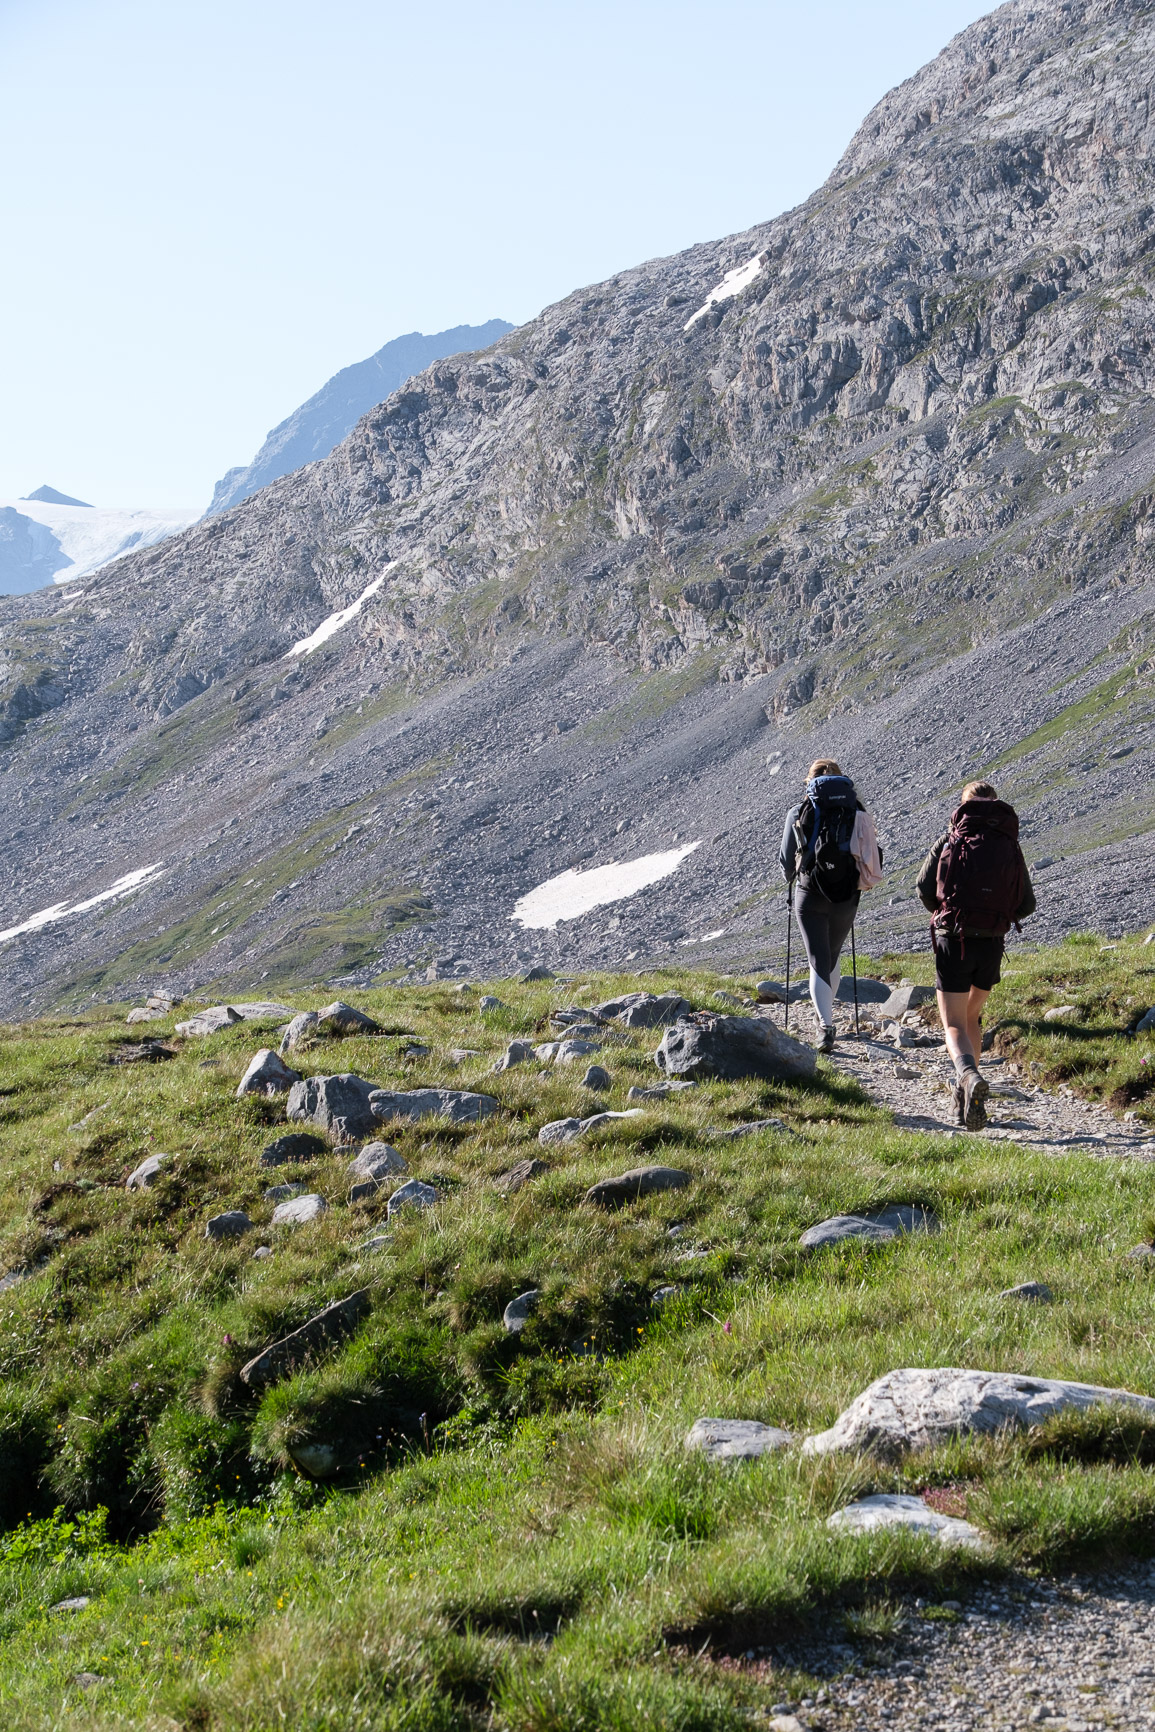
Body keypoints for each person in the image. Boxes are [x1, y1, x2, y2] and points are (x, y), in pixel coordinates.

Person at [916, 779, 1035, 1130]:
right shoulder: (1009, 843)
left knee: (952, 1022)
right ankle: (965, 1094)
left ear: (964, 805)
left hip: (954, 938)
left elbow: (923, 889)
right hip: (992, 943)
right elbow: (1027, 904)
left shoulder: (951, 838)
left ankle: (967, 1076)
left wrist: (943, 914)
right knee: (972, 1017)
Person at [780, 758, 882, 1051]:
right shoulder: (857, 809)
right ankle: (824, 1015)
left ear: (809, 782)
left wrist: (794, 876)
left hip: (810, 892)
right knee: (832, 957)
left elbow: (787, 861)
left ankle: (825, 1026)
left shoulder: (798, 812)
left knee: (817, 959)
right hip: (847, 895)